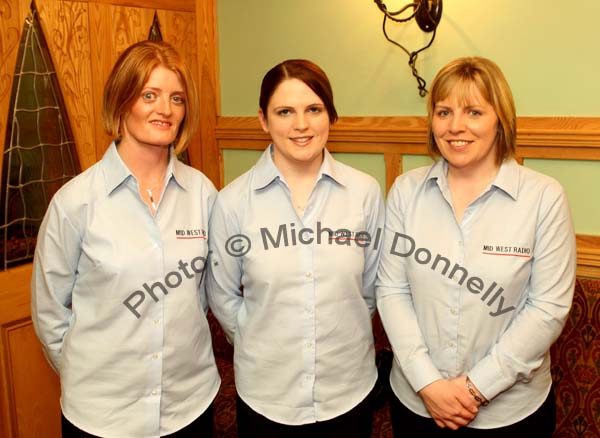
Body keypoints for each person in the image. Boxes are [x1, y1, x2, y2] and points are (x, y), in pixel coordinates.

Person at [376, 56, 576, 436]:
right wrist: (428, 383)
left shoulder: (543, 198)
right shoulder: (406, 191)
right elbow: (392, 289)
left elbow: (547, 308)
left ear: (500, 118)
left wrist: (474, 388)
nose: (455, 127)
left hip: (511, 413)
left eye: (473, 112)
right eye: (443, 111)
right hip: (418, 404)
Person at [31, 40, 220, 437]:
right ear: (122, 101)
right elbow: (50, 313)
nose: (165, 109)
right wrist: (91, 375)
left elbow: (207, 292)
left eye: (177, 98)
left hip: (189, 405)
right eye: (149, 95)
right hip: (103, 417)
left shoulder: (203, 193)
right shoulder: (75, 202)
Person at [207, 59, 385, 437]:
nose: (300, 125)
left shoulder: (364, 193)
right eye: (284, 111)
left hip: (348, 391)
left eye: (313, 109)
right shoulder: (233, 202)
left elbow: (370, 289)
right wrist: (263, 338)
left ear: (331, 117)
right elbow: (222, 295)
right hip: (267, 396)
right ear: (263, 120)